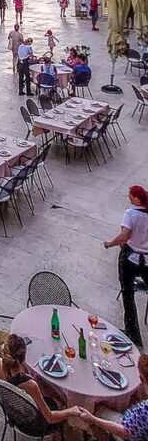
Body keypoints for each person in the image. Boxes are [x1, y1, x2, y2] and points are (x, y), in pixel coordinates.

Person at [0, 335, 81, 425]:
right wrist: (71, 411)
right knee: (62, 400)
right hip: (31, 423)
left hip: (12, 411)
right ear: (22, 358)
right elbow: (50, 418)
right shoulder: (30, 385)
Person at [104, 185, 148, 347]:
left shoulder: (131, 214)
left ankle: (132, 332)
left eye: (130, 196)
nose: (128, 198)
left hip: (131, 257)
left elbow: (124, 237)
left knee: (127, 294)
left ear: (136, 198)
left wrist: (110, 244)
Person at [75, 354, 148, 439]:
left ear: (143, 379)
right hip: (135, 422)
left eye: (141, 378)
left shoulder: (145, 410)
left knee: (96, 409)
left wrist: (93, 420)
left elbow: (125, 432)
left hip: (129, 428)